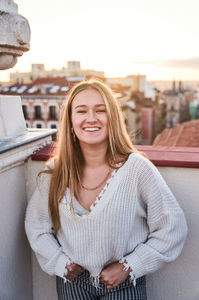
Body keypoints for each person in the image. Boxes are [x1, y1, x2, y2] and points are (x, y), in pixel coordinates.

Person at [25, 79, 188, 300]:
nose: (91, 118)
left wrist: (130, 266)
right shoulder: (55, 172)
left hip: (124, 282)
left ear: (112, 117)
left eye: (100, 110)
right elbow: (37, 226)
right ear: (71, 121)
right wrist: (59, 262)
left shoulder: (137, 169)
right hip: (72, 283)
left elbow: (172, 227)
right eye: (81, 111)